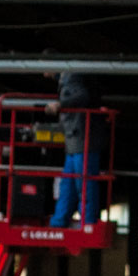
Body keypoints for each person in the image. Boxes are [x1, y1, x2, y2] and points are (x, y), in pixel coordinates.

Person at [49, 71, 104, 228]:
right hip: (75, 142)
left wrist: (60, 104)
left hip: (84, 140)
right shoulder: (66, 79)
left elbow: (82, 96)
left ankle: (87, 222)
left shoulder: (72, 77)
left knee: (84, 184)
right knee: (68, 185)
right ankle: (59, 221)